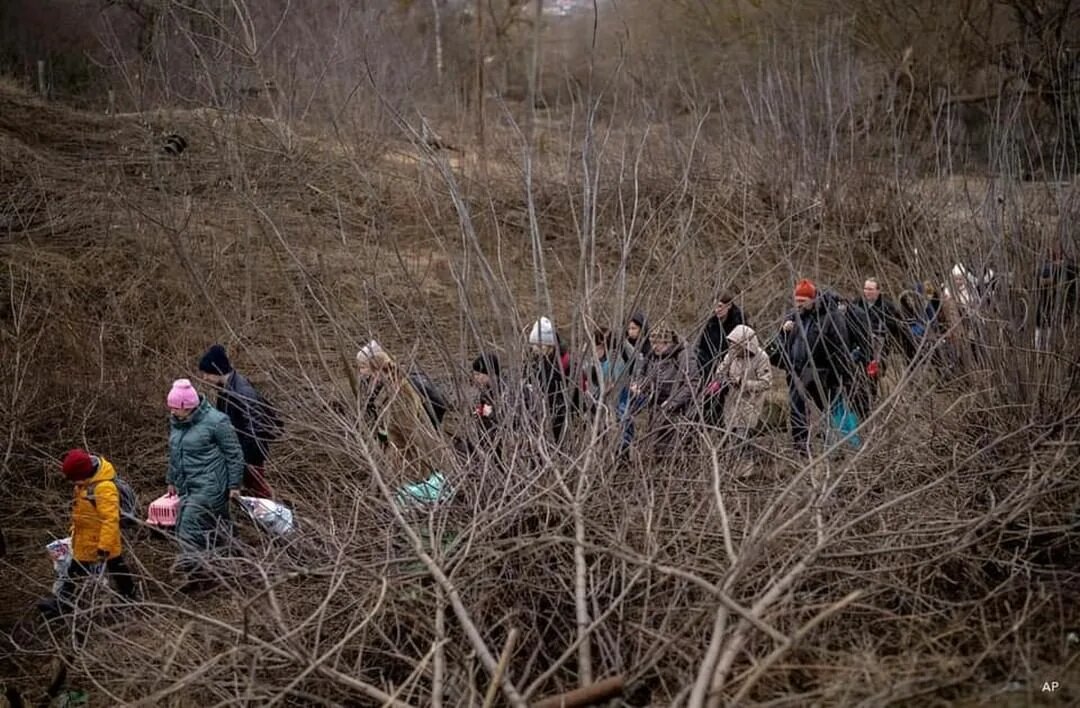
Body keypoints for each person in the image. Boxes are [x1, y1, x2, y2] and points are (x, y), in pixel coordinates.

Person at [39, 449, 137, 617]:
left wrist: (104, 546)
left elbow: (110, 519)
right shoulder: (83, 485)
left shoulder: (104, 488)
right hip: (85, 539)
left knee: (114, 569)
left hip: (100, 541)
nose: (72, 483)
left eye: (73, 478)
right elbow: (81, 513)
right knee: (80, 572)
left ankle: (63, 604)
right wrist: (74, 531)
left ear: (83, 473)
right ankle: (63, 603)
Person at [166, 379, 245, 583]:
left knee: (188, 526)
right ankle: (232, 559)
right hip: (188, 485)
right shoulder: (177, 423)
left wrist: (234, 485)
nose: (173, 412)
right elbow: (175, 453)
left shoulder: (217, 422)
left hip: (212, 484)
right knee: (216, 525)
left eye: (176, 408)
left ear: (188, 406)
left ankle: (191, 572)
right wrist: (171, 479)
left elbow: (234, 454)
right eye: (171, 408)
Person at [355, 342, 453, 504]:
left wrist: (417, 462)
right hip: (398, 450)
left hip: (409, 455)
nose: (361, 372)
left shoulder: (398, 392)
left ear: (376, 368)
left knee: (416, 494)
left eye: (364, 367)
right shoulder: (381, 388)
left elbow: (409, 432)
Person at [772, 279, 857, 455]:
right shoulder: (792, 317)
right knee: (797, 410)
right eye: (796, 301)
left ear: (812, 299)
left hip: (823, 373)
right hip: (797, 372)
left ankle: (839, 448)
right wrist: (783, 332)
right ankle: (801, 447)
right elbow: (780, 346)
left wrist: (843, 375)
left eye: (802, 301)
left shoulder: (831, 316)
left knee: (830, 410)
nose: (799, 305)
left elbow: (840, 347)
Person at [197, 344, 280, 499]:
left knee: (258, 488)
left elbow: (254, 429)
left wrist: (242, 458)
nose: (205, 378)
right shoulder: (225, 389)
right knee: (249, 486)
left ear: (217, 371)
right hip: (238, 449)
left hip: (250, 452)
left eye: (207, 373)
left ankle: (274, 513)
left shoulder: (242, 392)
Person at [846, 278, 916, 416]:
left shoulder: (888, 307)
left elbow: (897, 327)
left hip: (879, 349)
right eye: (865, 289)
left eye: (871, 289)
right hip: (858, 346)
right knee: (855, 377)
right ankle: (857, 407)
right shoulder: (856, 304)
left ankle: (868, 408)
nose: (867, 292)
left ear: (878, 291)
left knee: (872, 379)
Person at [637, 323, 698, 457]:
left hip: (678, 409)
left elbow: (693, 384)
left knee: (673, 448)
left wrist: (672, 402)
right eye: (653, 343)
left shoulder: (683, 355)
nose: (655, 347)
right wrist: (641, 386)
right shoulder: (652, 355)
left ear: (668, 342)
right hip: (655, 405)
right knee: (655, 444)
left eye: (660, 343)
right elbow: (643, 374)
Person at [709, 325, 772, 443]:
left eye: (736, 345)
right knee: (728, 436)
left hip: (750, 403)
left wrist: (742, 383)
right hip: (731, 402)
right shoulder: (730, 355)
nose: (733, 347)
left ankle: (745, 459)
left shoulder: (761, 358)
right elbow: (720, 372)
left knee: (742, 436)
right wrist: (721, 381)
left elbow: (765, 383)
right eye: (731, 344)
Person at [696, 292, 747, 425]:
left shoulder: (740, 324)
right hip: (712, 369)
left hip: (733, 370)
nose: (716, 310)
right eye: (715, 306)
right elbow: (702, 349)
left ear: (729, 306)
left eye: (720, 306)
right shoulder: (711, 325)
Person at [524, 317, 575, 445]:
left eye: (539, 345)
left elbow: (573, 394)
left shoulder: (565, 363)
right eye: (534, 345)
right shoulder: (535, 361)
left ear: (550, 346)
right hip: (539, 415)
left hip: (560, 416)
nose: (535, 349)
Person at [1034, 248, 1079, 351]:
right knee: (1044, 325)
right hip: (1048, 303)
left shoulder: (1059, 268)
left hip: (1050, 304)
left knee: (1044, 325)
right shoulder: (1054, 269)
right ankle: (1043, 349)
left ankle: (1042, 349)